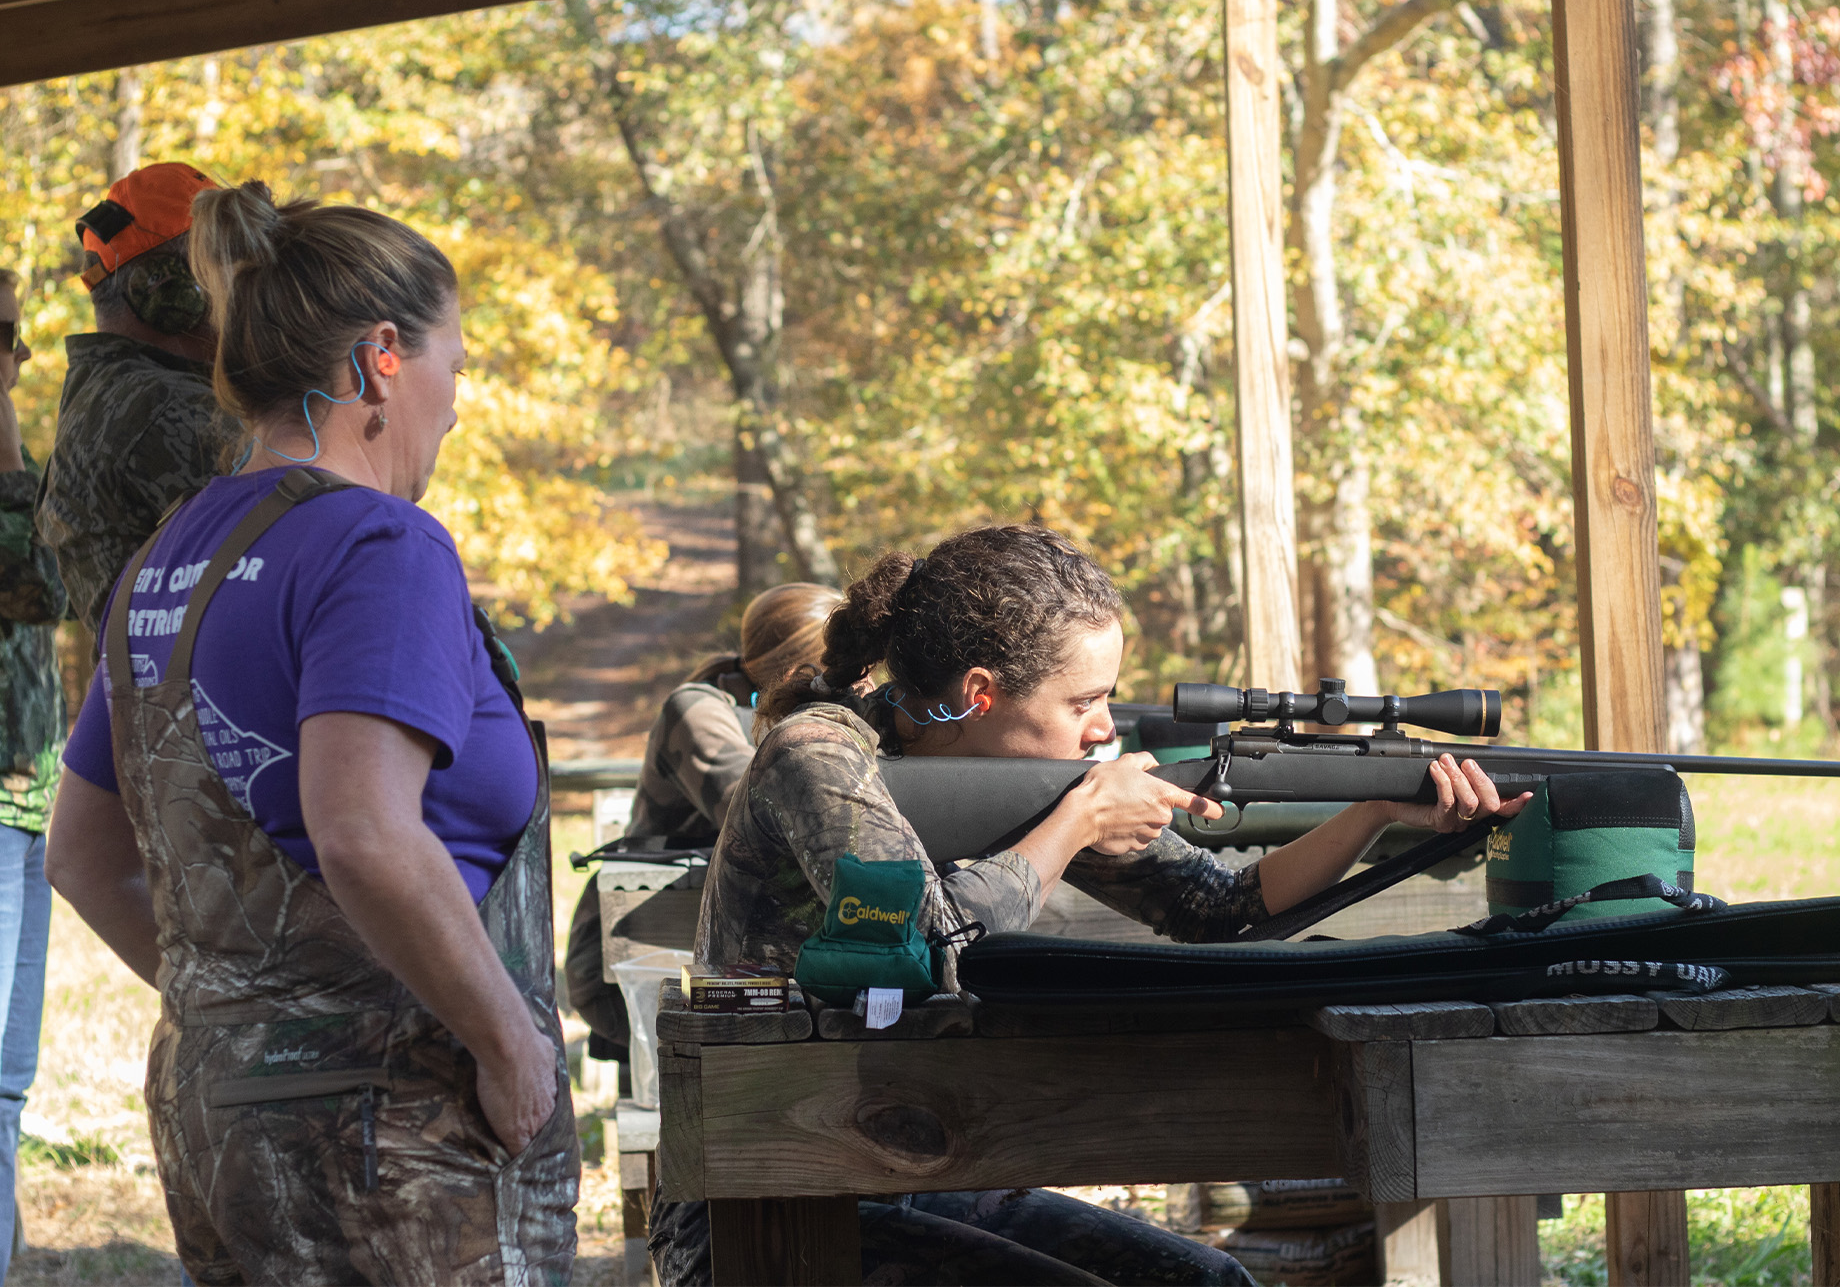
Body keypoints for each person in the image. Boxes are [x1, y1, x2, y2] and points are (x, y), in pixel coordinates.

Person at [660, 524, 1530, 1285]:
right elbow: (930, 944)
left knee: (1204, 1278)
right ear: (978, 694)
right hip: (765, 1189)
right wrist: (1079, 818)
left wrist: (1374, 810)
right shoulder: (817, 753)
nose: (1103, 729)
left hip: (908, 1158)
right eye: (1083, 702)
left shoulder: (1013, 777)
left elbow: (1219, 909)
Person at [43, 180, 577, 1284]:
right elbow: (366, 833)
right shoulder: (378, 545)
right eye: (455, 367)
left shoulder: (167, 554)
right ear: (383, 356)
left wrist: (252, 1018)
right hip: (392, 1139)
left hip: (220, 1120)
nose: (459, 403)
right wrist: (511, 1049)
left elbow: (81, 854)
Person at [565, 581, 840, 1062]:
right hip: (645, 962)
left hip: (737, 968)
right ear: (803, 669)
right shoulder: (696, 711)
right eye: (851, 669)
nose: (864, 685)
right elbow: (760, 808)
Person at [35, 162, 242, 633]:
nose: (243, 291)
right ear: (168, 291)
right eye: (226, 267)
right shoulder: (165, 407)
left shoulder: (112, 392)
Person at [0, 268, 58, 1281]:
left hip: (19, 800)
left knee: (6, 1087)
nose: (15, 358)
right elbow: (35, 578)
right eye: (2, 336)